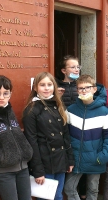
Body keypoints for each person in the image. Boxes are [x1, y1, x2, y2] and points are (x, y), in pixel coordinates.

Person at [64, 74, 108, 200]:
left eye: (87, 88)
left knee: (93, 191)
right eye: (80, 88)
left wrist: (101, 157)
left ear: (94, 89)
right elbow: (65, 135)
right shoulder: (71, 110)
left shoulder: (105, 112)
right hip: (76, 159)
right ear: (77, 91)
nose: (84, 91)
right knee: (69, 188)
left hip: (95, 159)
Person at [22, 72, 74, 200]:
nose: (46, 88)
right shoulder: (31, 110)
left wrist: (70, 160)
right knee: (47, 198)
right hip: (44, 163)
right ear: (35, 88)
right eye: (42, 85)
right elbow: (31, 142)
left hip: (60, 161)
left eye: (50, 84)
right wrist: (38, 170)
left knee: (58, 196)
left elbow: (65, 135)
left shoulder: (58, 105)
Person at [56, 55, 87, 200]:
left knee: (81, 161)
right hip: (63, 129)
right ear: (63, 70)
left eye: (77, 67)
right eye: (72, 67)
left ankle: (82, 192)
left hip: (80, 129)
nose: (76, 69)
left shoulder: (82, 85)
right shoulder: (56, 85)